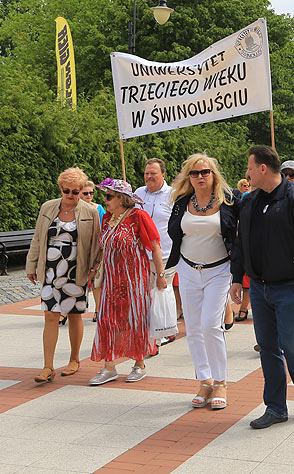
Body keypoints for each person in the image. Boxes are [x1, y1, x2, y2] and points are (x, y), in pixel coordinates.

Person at [230, 146, 294, 429]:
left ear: (262, 168)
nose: (246, 173)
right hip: (259, 289)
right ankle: (275, 407)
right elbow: (240, 243)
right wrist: (238, 277)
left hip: (290, 287)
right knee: (268, 348)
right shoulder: (249, 202)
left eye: (250, 168)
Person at [166, 154, 239, 410]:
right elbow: (175, 233)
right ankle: (205, 380)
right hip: (187, 270)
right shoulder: (182, 202)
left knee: (211, 325)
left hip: (218, 271)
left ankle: (221, 381)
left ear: (214, 174)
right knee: (194, 328)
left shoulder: (229, 201)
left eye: (205, 172)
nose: (200, 177)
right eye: (194, 173)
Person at [26, 168, 101, 382]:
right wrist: (31, 265)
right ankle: (47, 366)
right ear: (60, 188)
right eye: (66, 190)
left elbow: (96, 244)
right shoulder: (48, 207)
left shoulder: (90, 211)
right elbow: (38, 238)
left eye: (76, 191)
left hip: (76, 269)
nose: (71, 195)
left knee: (75, 313)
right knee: (50, 314)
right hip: (50, 269)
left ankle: (74, 359)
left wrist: (94, 269)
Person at [89, 178, 166, 385]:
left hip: (134, 280)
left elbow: (155, 246)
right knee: (106, 320)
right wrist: (94, 268)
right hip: (112, 280)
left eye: (108, 196)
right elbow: (103, 247)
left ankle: (139, 364)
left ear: (121, 199)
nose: (104, 199)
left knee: (135, 320)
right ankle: (109, 366)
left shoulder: (138, 216)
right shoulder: (107, 219)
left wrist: (160, 275)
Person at [135, 158, 179, 346]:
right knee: (147, 293)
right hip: (142, 254)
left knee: (161, 290)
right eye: (146, 173)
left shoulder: (173, 195)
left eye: (153, 173)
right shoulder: (137, 194)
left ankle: (164, 331)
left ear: (163, 175)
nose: (149, 176)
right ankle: (152, 329)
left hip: (166, 253)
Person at [79, 180, 105, 323]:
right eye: (86, 193)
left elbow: (104, 227)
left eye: (91, 193)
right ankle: (69, 310)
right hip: (80, 248)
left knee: (96, 280)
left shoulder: (98, 209)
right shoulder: (75, 209)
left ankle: (98, 309)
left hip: (95, 248)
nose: (89, 195)